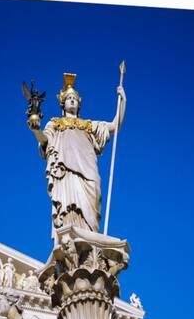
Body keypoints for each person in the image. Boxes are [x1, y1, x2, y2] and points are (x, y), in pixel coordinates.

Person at [28, 73, 126, 243]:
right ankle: (71, 245)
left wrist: (122, 100)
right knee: (68, 209)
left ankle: (90, 242)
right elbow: (45, 140)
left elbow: (115, 125)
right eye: (69, 98)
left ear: (79, 104)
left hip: (88, 172)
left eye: (74, 98)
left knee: (92, 205)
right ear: (63, 103)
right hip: (66, 173)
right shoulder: (55, 124)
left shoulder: (89, 125)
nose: (72, 100)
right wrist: (35, 129)